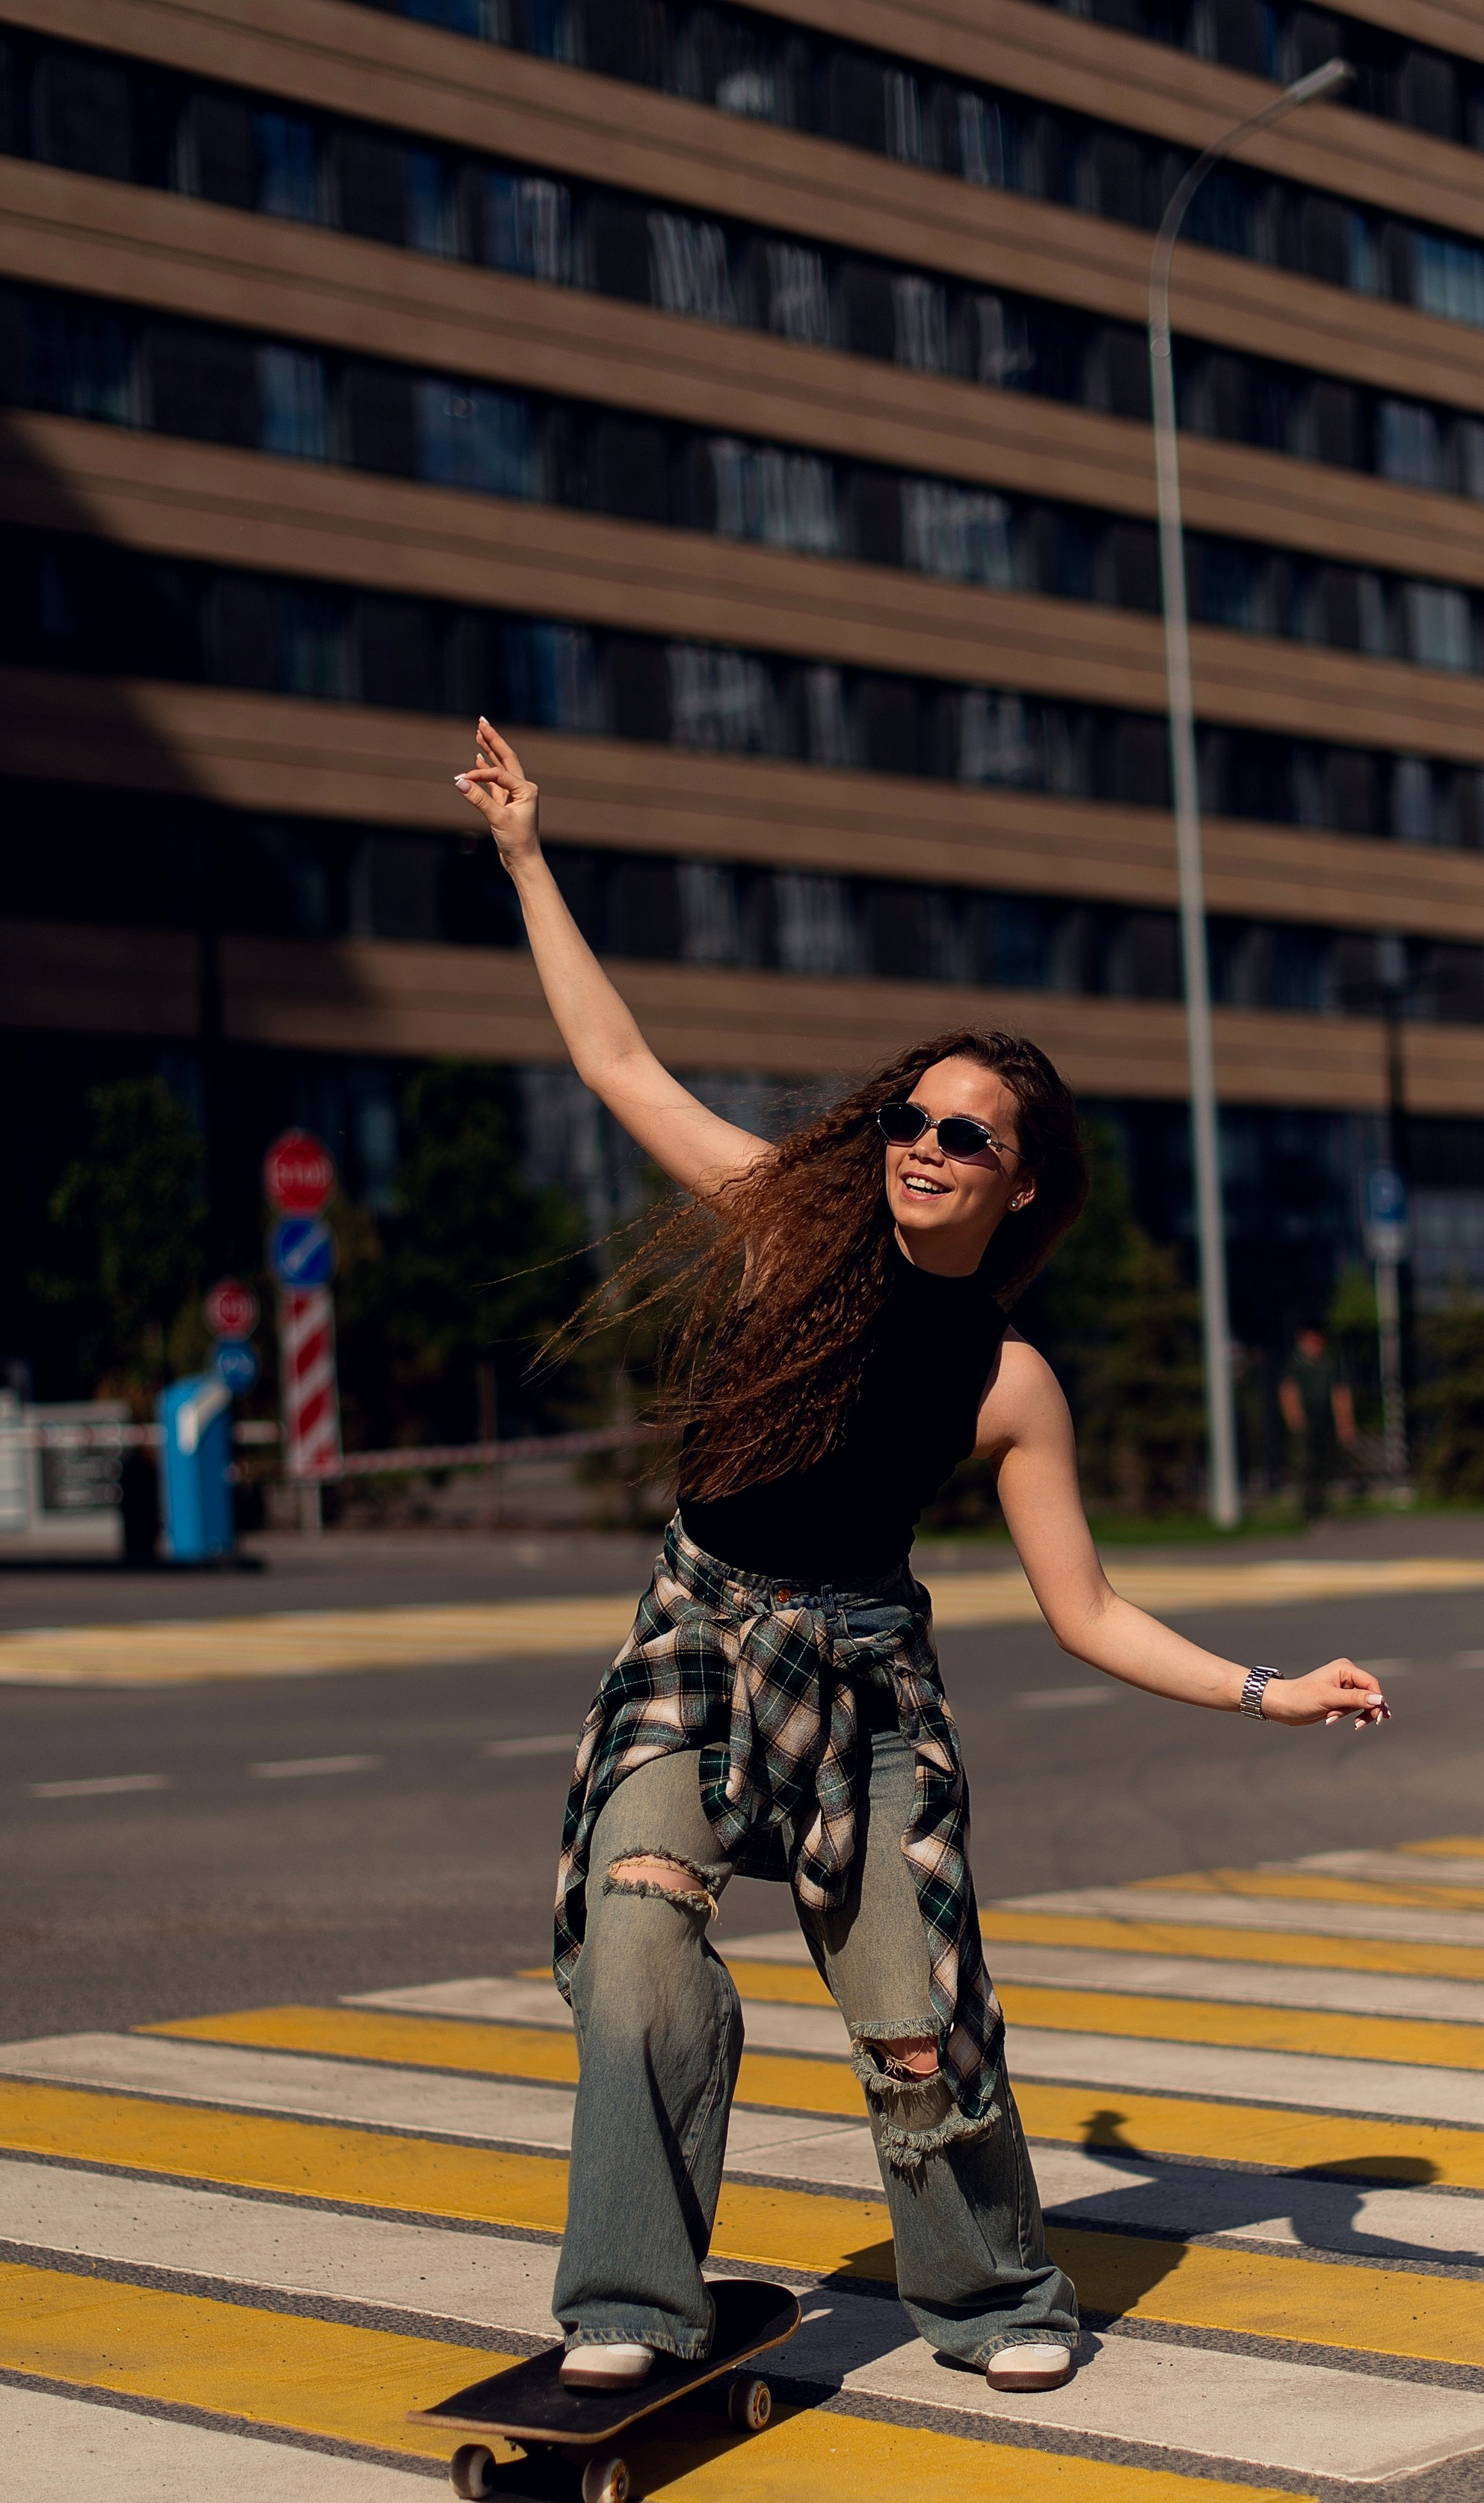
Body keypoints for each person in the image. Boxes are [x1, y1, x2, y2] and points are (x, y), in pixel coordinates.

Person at [455, 719, 1391, 2395]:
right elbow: (615, 1063)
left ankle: (993, 2293)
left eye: (964, 1135)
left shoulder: (1007, 1380)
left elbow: (1084, 1609)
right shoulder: (779, 1229)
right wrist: (526, 856)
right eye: (911, 1114)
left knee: (916, 2018)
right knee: (639, 1933)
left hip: (865, 1685)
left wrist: (1266, 1689)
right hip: (697, 1634)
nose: (921, 1143)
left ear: (1015, 1183)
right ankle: (627, 2295)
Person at [1278, 1323, 1356, 1524]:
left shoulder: (1329, 1365)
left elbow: (1339, 1394)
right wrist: (1296, 1420)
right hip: (1306, 1424)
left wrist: (1345, 1423)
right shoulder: (1294, 1365)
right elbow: (1288, 1392)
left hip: (1325, 1422)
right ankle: (1308, 1511)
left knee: (1324, 1467)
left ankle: (1321, 1509)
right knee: (1306, 1467)